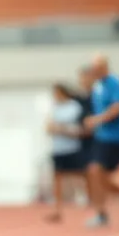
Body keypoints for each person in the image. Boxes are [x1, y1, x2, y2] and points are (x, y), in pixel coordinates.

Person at [82, 54, 119, 227]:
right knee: (95, 174)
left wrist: (96, 120)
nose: (95, 70)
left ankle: (107, 209)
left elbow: (117, 108)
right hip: (101, 137)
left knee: (96, 172)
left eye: (97, 67)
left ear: (105, 66)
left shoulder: (115, 83)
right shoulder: (97, 86)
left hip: (116, 137)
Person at [43, 83, 87, 223]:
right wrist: (57, 129)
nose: (55, 96)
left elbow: (79, 128)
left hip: (72, 147)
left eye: (57, 93)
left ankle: (84, 197)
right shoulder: (54, 107)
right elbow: (48, 127)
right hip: (58, 148)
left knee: (78, 174)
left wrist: (62, 129)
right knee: (57, 177)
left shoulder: (74, 107)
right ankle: (57, 207)